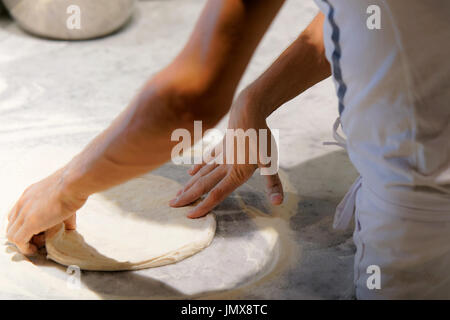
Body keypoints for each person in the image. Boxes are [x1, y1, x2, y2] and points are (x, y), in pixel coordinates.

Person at [6, 0, 450, 299]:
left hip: (431, 214)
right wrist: (255, 98)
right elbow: (361, 13)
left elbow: (187, 97)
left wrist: (66, 188)